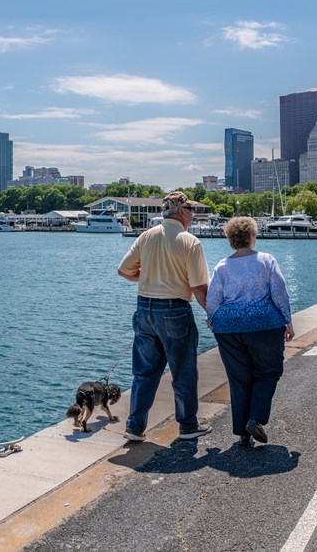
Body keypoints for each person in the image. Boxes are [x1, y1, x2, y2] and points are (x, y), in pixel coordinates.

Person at [117, 191, 212, 442]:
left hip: (145, 308)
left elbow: (124, 270)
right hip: (174, 310)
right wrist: (214, 314)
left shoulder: (146, 236)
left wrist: (147, 276)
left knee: (144, 372)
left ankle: (135, 427)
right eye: (190, 210)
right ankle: (188, 426)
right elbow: (199, 287)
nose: (193, 214)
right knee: (183, 372)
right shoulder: (189, 241)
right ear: (181, 212)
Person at [206, 216, 294, 447]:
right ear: (252, 237)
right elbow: (279, 292)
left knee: (239, 378)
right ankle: (255, 418)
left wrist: (213, 320)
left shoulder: (222, 266)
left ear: (231, 240)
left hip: (228, 328)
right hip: (263, 324)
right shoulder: (266, 260)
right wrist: (287, 321)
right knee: (268, 372)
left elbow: (213, 299)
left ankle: (242, 432)